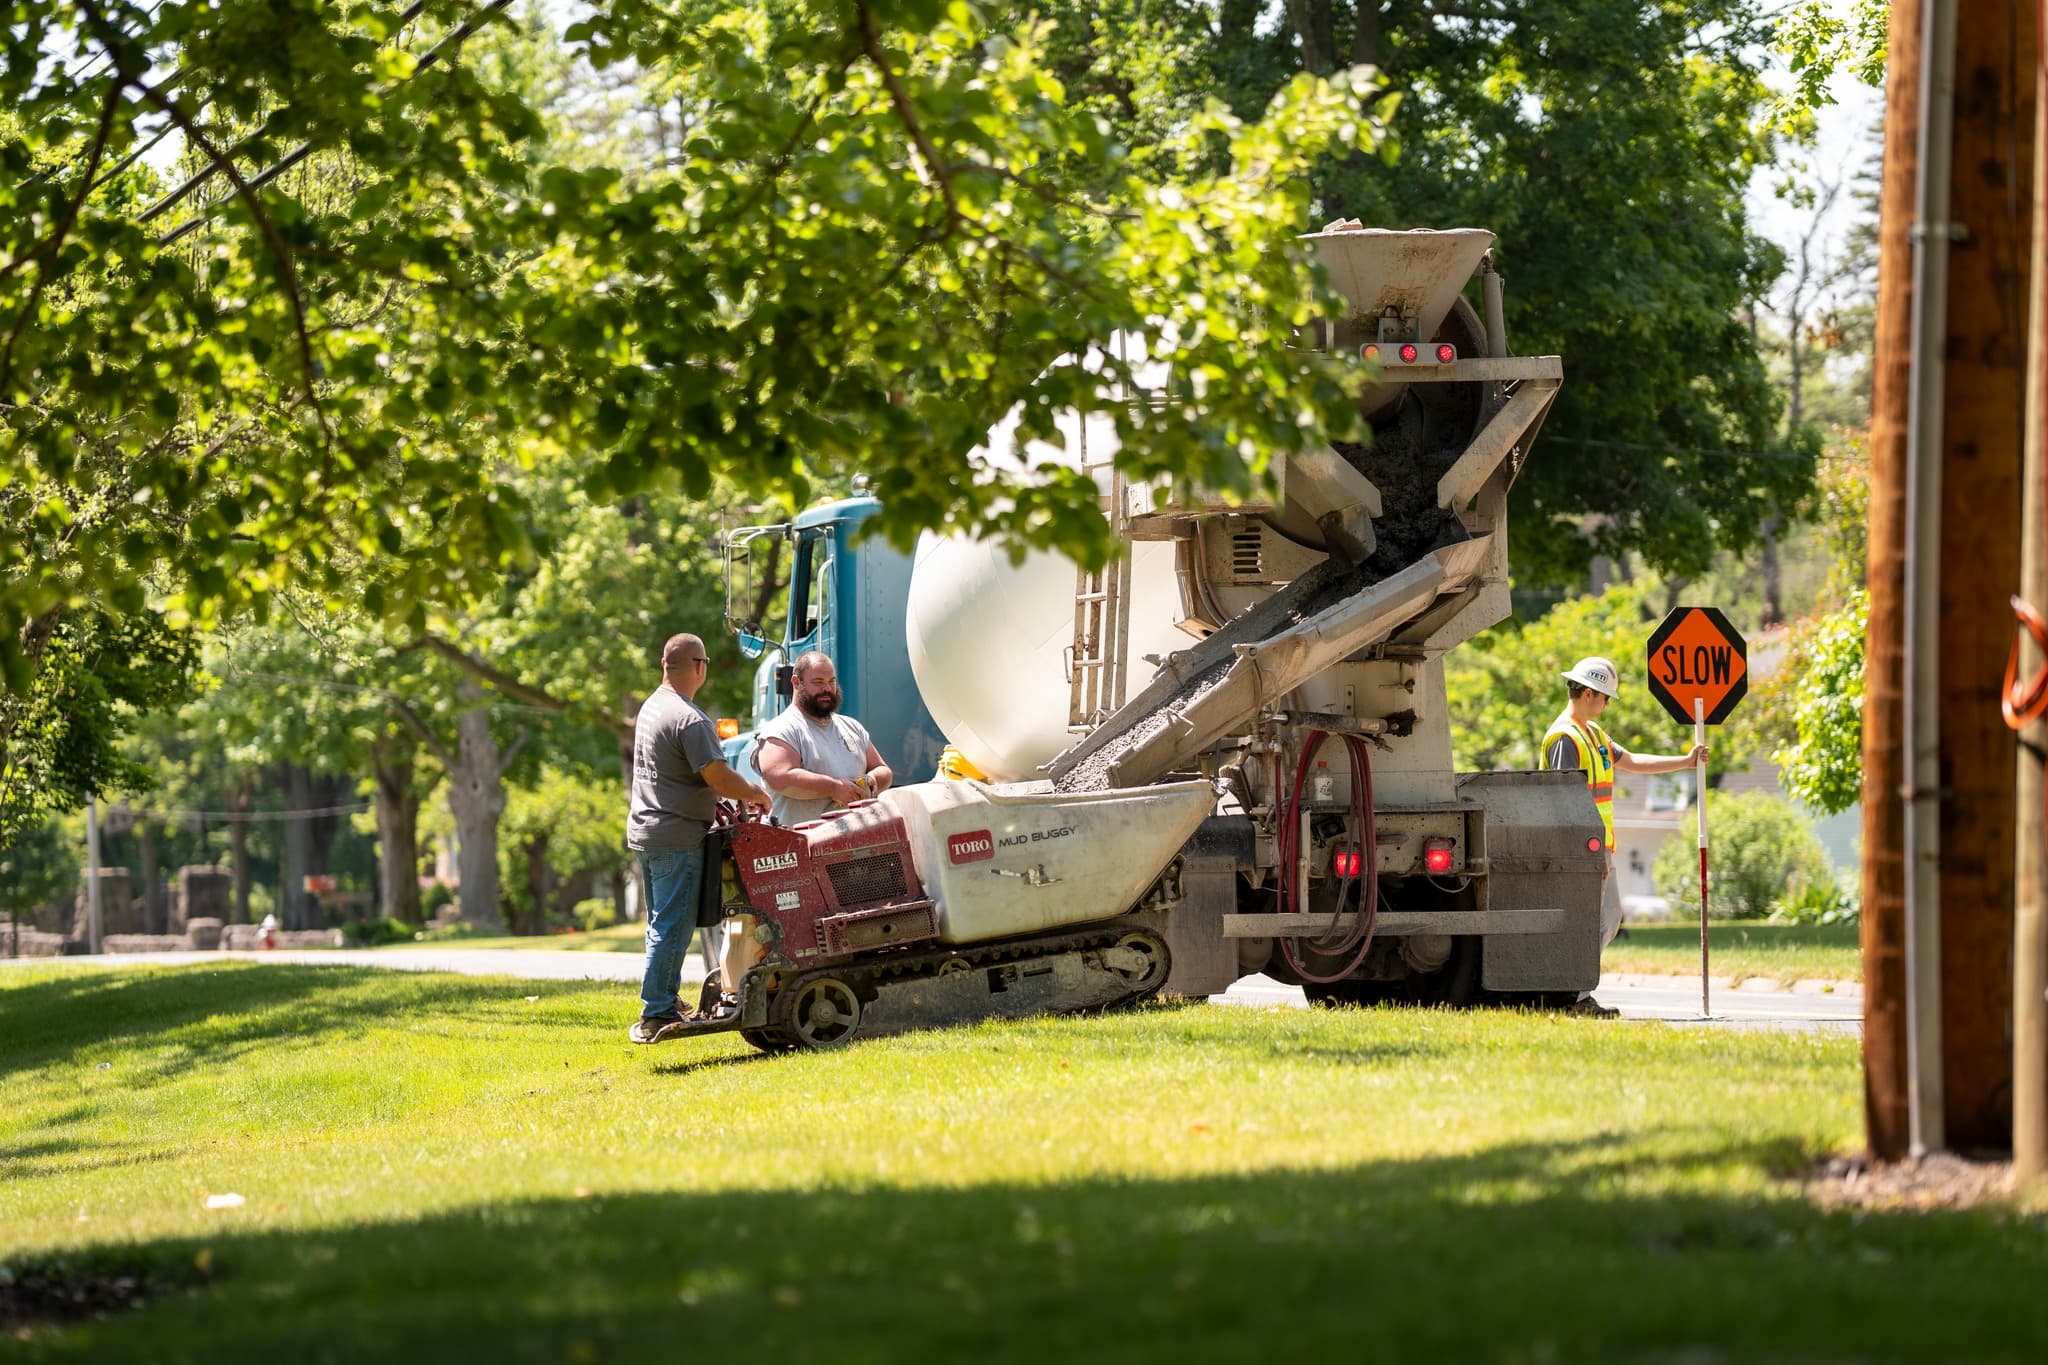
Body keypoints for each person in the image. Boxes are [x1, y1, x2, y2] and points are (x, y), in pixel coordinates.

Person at [627, 633, 770, 1045]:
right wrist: (755, 793)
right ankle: (656, 1010)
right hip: (676, 835)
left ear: (664, 665)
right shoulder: (690, 719)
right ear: (700, 667)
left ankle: (664, 999)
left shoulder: (652, 708)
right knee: (673, 926)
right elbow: (718, 776)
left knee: (660, 924)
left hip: (646, 831)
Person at [1544, 656, 1709, 952]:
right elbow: (1561, 800)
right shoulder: (1564, 738)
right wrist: (1581, 852)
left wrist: (1686, 761)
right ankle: (1571, 991)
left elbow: (1632, 760)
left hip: (1598, 845)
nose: (1607, 705)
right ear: (1588, 693)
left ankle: (1577, 990)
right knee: (1589, 923)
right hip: (1582, 847)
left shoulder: (1593, 734)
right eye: (1605, 698)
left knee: (1607, 920)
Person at [750, 651, 894, 826]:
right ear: (796, 682)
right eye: (818, 682)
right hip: (801, 845)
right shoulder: (781, 730)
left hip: (856, 843)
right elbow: (780, 777)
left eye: (831, 681)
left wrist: (871, 782)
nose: (827, 688)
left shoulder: (852, 727)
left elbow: (883, 770)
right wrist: (834, 788)